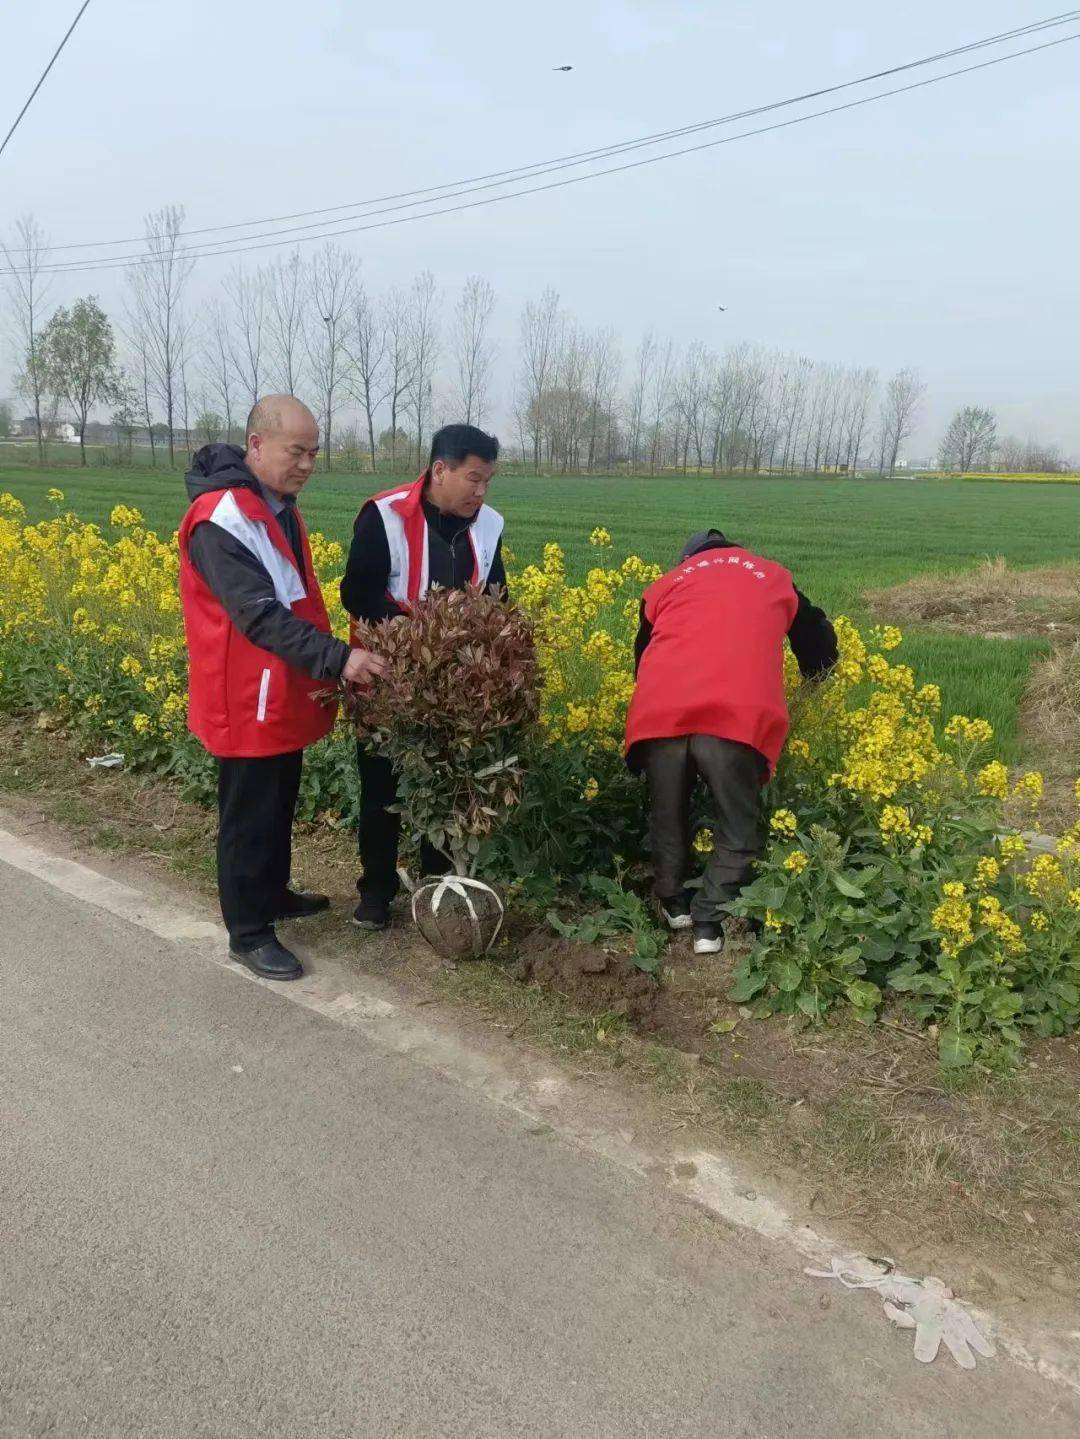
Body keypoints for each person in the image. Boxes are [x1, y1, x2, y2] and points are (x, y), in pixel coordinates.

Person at [179, 395, 386, 980]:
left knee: (278, 801)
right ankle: (247, 932)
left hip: (279, 688)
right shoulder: (223, 517)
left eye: (314, 453)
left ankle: (271, 893)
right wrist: (338, 659)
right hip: (244, 694)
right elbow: (259, 614)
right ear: (257, 445)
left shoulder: (275, 507)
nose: (306, 464)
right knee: (248, 814)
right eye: (296, 451)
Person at [625, 529, 837, 956]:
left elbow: (643, 655)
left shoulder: (670, 581)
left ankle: (674, 903)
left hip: (661, 708)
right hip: (734, 714)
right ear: (736, 552)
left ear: (689, 557)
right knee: (737, 824)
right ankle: (709, 923)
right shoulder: (772, 575)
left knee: (667, 812)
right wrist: (814, 681)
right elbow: (820, 645)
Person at [340, 423, 506, 930]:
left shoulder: (489, 524)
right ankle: (376, 891)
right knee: (382, 788)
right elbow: (356, 592)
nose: (481, 492)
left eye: (488, 481)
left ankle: (435, 884)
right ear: (440, 470)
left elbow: (497, 593)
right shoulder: (384, 515)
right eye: (473, 479)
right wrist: (418, 635)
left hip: (453, 686)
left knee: (448, 784)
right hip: (386, 678)